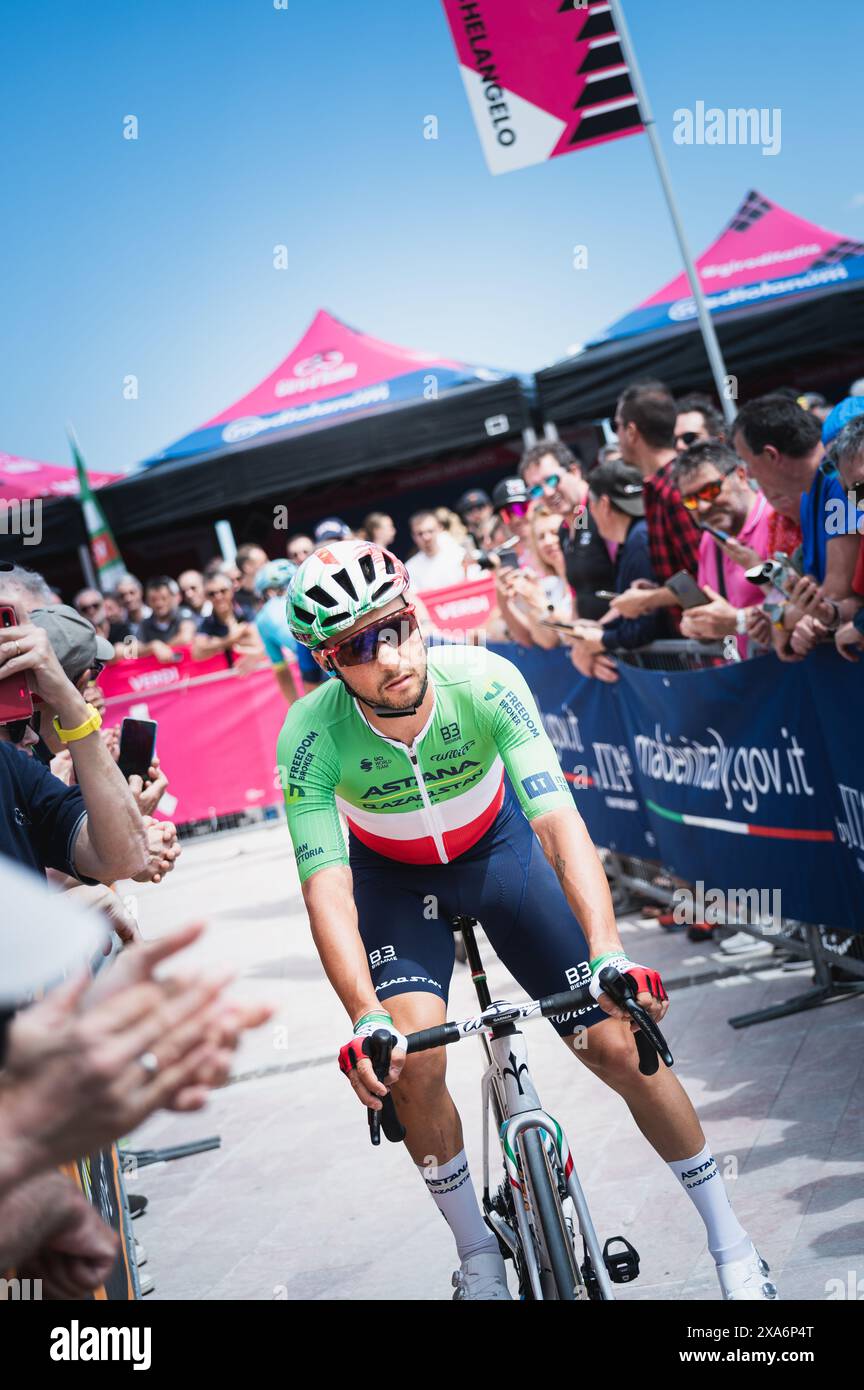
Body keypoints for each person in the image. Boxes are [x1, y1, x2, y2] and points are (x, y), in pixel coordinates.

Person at [276, 539, 777, 1302]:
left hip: (499, 855)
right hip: (395, 882)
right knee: (413, 1061)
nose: (391, 654)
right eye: (359, 646)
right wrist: (364, 1015)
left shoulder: (483, 680)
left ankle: (733, 1246)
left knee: (618, 1043)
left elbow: (557, 823)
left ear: (418, 614)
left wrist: (609, 952)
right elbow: (327, 888)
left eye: (398, 625)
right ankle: (477, 1255)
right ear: (328, 663)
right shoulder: (310, 736)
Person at [732, 396, 860, 659]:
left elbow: (837, 591)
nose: (750, 475)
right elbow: (809, 585)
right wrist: (784, 618)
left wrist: (781, 619)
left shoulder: (841, 484)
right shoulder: (809, 495)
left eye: (748, 462)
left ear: (770, 454)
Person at [671, 441, 777, 653]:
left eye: (710, 491)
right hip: (748, 674)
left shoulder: (777, 519)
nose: (703, 506)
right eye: (691, 501)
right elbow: (716, 615)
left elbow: (805, 604)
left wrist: (739, 619)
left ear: (741, 476)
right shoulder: (710, 539)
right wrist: (699, 625)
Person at [612, 381, 702, 627]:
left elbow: (704, 580)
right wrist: (658, 591)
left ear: (631, 432)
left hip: (721, 647)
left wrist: (648, 599)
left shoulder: (676, 489)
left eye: (616, 426)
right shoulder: (657, 487)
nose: (616, 436)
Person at [569, 461, 662, 680]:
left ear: (604, 505)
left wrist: (601, 640)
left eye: (590, 507)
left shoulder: (639, 541)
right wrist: (600, 626)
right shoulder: (636, 536)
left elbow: (648, 624)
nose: (590, 515)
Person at [519, 442, 615, 621]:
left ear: (574, 471)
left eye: (551, 480)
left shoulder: (604, 509)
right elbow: (580, 594)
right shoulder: (568, 527)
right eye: (537, 489)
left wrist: (598, 634)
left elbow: (633, 589)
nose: (547, 492)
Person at [253, 558, 320, 699]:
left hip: (310, 657)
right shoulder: (310, 588)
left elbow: (281, 669)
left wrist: (293, 708)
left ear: (267, 592)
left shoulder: (263, 617)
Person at [193, 572, 262, 667]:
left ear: (231, 591)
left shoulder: (246, 612)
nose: (218, 596)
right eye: (212, 594)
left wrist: (216, 644)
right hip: (229, 676)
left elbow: (259, 644)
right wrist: (230, 639)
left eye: (223, 591)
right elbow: (197, 653)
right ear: (206, 596)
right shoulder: (206, 622)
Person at [405, 510, 470, 591]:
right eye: (420, 533)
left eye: (430, 531)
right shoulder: (410, 569)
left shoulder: (459, 554)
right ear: (413, 536)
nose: (426, 537)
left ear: (440, 529)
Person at [135, 578, 197, 660]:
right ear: (147, 602)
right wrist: (152, 647)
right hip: (161, 672)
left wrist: (162, 648)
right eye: (154, 600)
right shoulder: (144, 624)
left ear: (172, 598)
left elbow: (186, 638)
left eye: (163, 598)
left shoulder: (183, 613)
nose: (159, 603)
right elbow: (135, 650)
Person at [233, 545, 269, 621]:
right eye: (264, 562)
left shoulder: (272, 593)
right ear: (247, 567)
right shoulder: (235, 602)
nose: (269, 564)